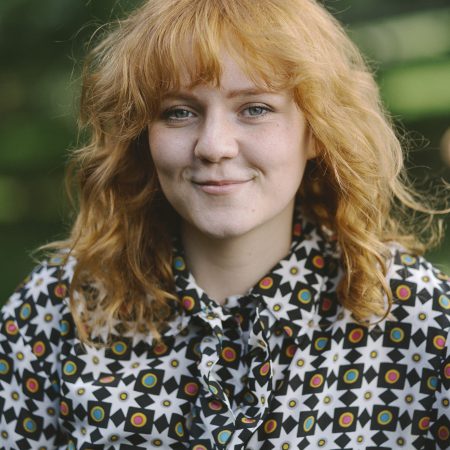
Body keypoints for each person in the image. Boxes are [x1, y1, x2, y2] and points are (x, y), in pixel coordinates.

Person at [0, 0, 449, 448]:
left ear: (316, 131)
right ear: (143, 135)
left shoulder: (421, 320)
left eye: (255, 108)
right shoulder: (59, 311)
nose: (213, 145)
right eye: (179, 111)